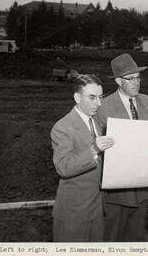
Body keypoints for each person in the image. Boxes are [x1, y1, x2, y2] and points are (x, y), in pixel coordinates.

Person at [96, 53, 148, 242]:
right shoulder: (103, 107)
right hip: (117, 191)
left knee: (136, 239)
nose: (136, 83)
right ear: (118, 82)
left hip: (142, 188)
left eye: (138, 78)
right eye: (130, 79)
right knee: (113, 238)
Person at [51, 74, 114, 242]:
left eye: (100, 97)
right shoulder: (62, 127)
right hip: (73, 213)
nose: (99, 104)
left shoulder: (97, 123)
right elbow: (63, 167)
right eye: (92, 98)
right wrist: (94, 148)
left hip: (97, 209)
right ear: (77, 97)